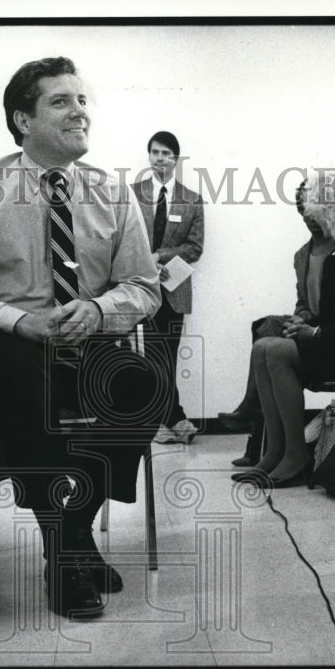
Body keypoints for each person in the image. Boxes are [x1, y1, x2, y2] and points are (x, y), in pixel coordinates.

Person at [0, 57, 165, 619]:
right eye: (61, 102)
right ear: (22, 119)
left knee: (144, 383)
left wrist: (99, 307)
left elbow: (144, 287)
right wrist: (19, 321)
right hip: (8, 344)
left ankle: (74, 531)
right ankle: (64, 553)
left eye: (82, 101)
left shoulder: (114, 192)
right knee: (23, 377)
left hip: (89, 340)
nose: (79, 111)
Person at [230, 174, 335, 487]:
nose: (311, 221)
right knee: (263, 346)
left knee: (274, 348)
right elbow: (329, 312)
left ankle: (295, 456)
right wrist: (308, 324)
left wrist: (314, 332)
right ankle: (274, 452)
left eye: (316, 214)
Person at [216, 180, 330, 466]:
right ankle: (257, 430)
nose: (311, 219)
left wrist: (308, 326)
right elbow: (304, 303)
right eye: (305, 212)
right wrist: (299, 319)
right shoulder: (302, 255)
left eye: (316, 211)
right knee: (264, 326)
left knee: (268, 340)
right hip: (311, 324)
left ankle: (253, 422)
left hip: (330, 332)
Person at [132, 131, 204, 445]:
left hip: (175, 289)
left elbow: (195, 247)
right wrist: (144, 262)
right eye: (155, 152)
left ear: (176, 159)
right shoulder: (134, 194)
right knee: (151, 356)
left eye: (166, 153)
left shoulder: (192, 198)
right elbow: (125, 238)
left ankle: (168, 417)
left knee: (168, 356)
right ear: (149, 157)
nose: (160, 158)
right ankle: (169, 417)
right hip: (143, 288)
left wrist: (160, 256)